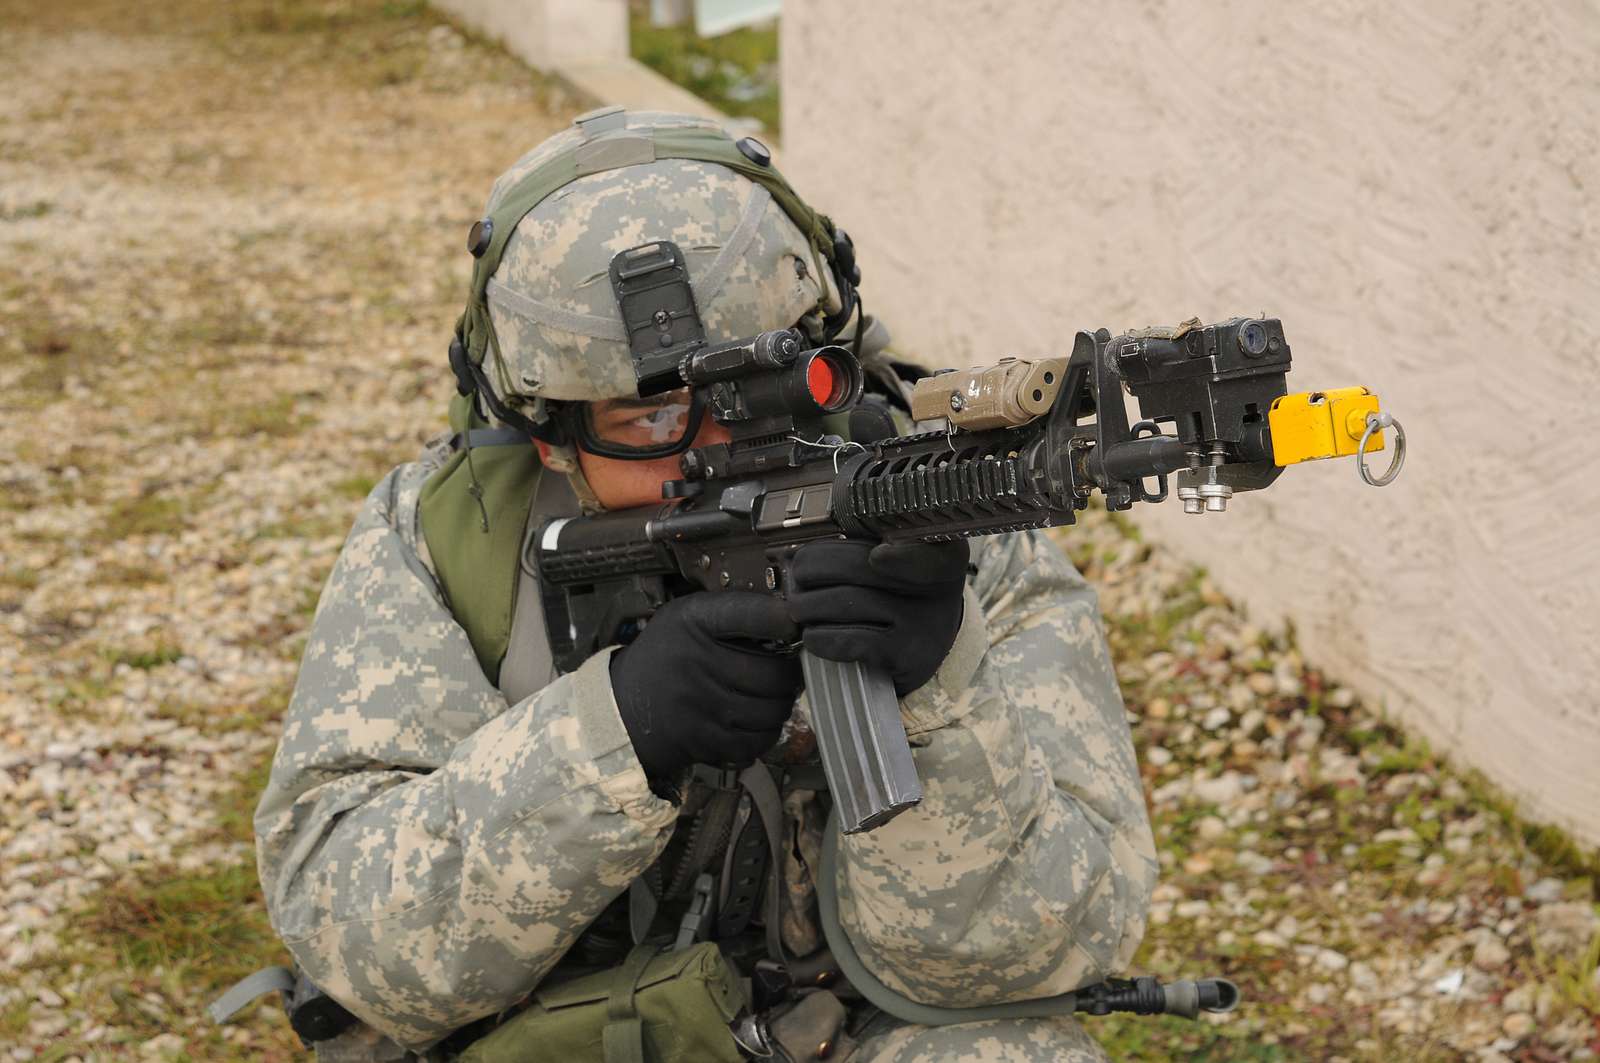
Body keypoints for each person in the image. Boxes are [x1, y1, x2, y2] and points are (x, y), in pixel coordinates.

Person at [253, 108, 1157, 1062]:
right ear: (548, 434)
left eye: (764, 389)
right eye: (650, 420)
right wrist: (618, 734)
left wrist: (939, 691)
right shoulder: (446, 543)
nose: (720, 452)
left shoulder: (945, 523)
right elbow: (357, 939)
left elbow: (1040, 957)